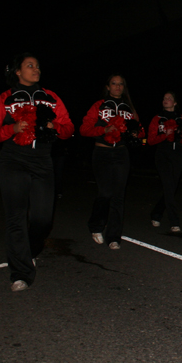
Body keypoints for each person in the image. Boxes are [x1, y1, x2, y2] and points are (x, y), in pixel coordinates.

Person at [0, 53, 74, 291]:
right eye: (30, 66)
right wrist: (10, 128)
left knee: (42, 219)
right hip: (13, 158)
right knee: (16, 217)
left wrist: (57, 127)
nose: (36, 69)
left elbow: (69, 127)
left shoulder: (51, 97)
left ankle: (27, 252)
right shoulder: (4, 98)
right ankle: (21, 273)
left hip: (43, 160)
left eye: (38, 66)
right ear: (18, 72)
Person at [80, 74, 143, 250]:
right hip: (102, 152)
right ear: (108, 86)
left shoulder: (129, 108)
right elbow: (84, 129)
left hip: (121, 153)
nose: (117, 87)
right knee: (105, 192)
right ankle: (96, 224)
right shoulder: (98, 105)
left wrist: (135, 134)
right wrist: (104, 129)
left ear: (124, 87)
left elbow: (140, 130)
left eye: (120, 84)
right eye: (114, 84)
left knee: (118, 195)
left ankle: (114, 236)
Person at [148, 92, 182, 232]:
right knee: (168, 186)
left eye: (169, 98)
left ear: (175, 102)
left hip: (177, 154)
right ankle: (174, 221)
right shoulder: (157, 119)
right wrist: (164, 135)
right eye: (164, 98)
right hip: (162, 155)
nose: (166, 100)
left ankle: (156, 213)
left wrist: (179, 136)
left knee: (171, 188)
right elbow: (150, 140)